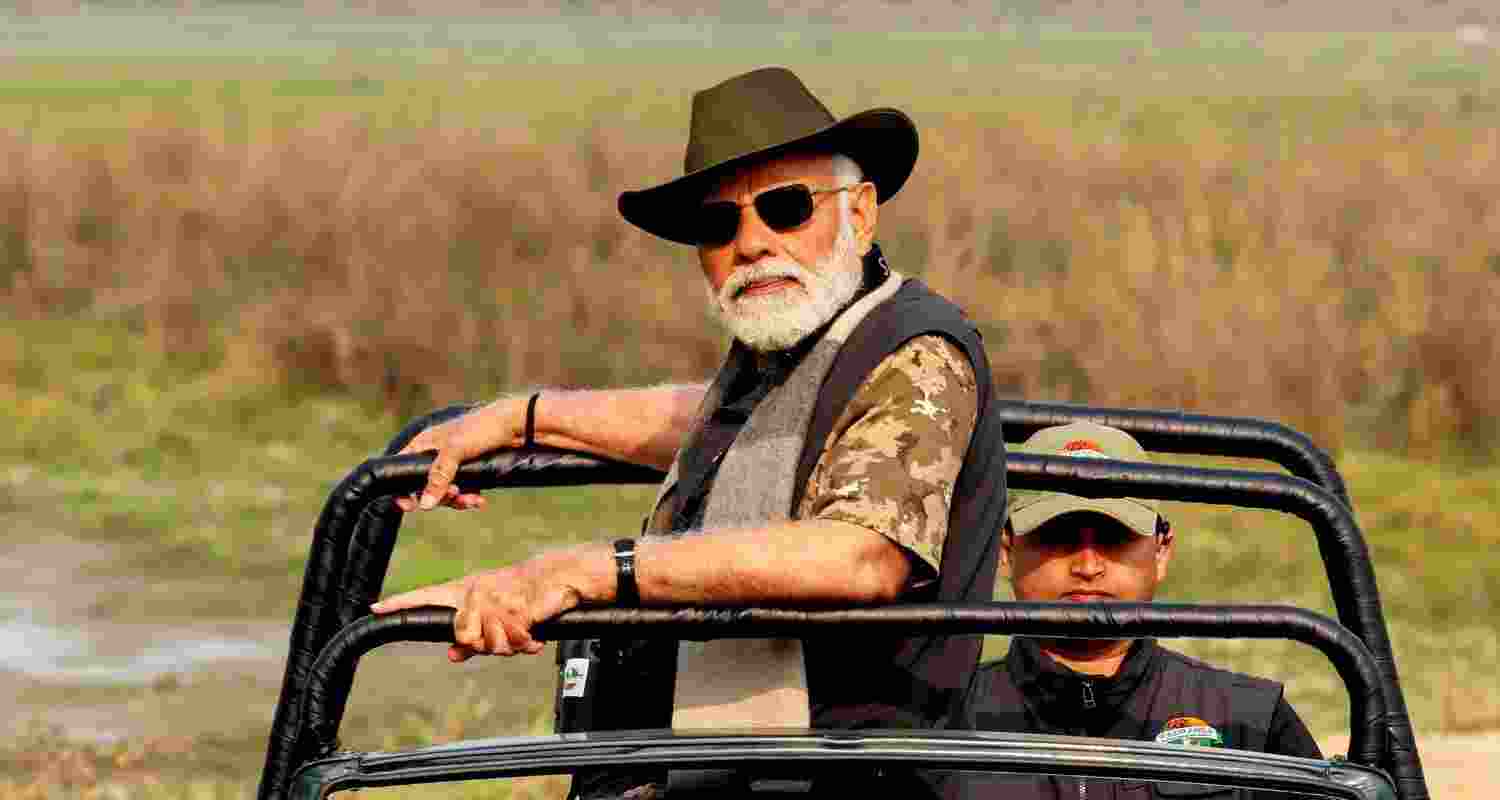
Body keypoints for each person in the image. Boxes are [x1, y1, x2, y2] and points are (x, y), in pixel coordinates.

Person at [371, 66, 1007, 795]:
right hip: (714, 761)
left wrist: (591, 572)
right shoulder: (794, 350)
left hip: (838, 774)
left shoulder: (916, 349)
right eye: (719, 223)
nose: (752, 242)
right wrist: (519, 418)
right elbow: (707, 423)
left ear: (860, 216)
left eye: (786, 207)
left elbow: (859, 557)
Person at [947, 422, 1321, 800]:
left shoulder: (1249, 722)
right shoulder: (937, 723)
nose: (1088, 567)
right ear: (1006, 550)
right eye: (1057, 535)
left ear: (1161, 551)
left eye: (1115, 537)